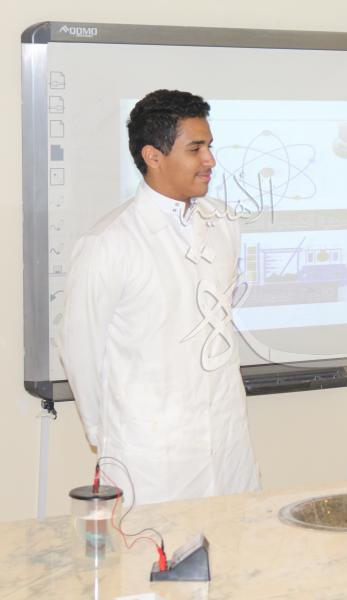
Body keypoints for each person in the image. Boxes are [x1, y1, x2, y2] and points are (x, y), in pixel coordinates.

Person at [60, 89, 260, 505]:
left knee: (238, 540)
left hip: (228, 441)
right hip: (151, 456)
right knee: (152, 547)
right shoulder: (108, 242)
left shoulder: (224, 223)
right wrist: (107, 434)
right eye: (195, 149)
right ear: (153, 156)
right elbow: (80, 351)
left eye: (210, 146)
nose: (210, 160)